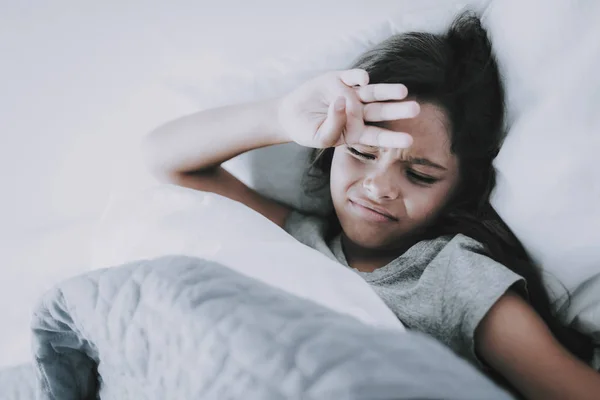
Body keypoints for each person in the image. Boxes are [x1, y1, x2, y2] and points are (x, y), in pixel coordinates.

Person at [143, 12, 599, 399]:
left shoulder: (454, 278)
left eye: (420, 175)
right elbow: (167, 162)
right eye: (361, 152)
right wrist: (279, 117)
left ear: (461, 190)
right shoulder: (300, 239)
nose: (379, 187)